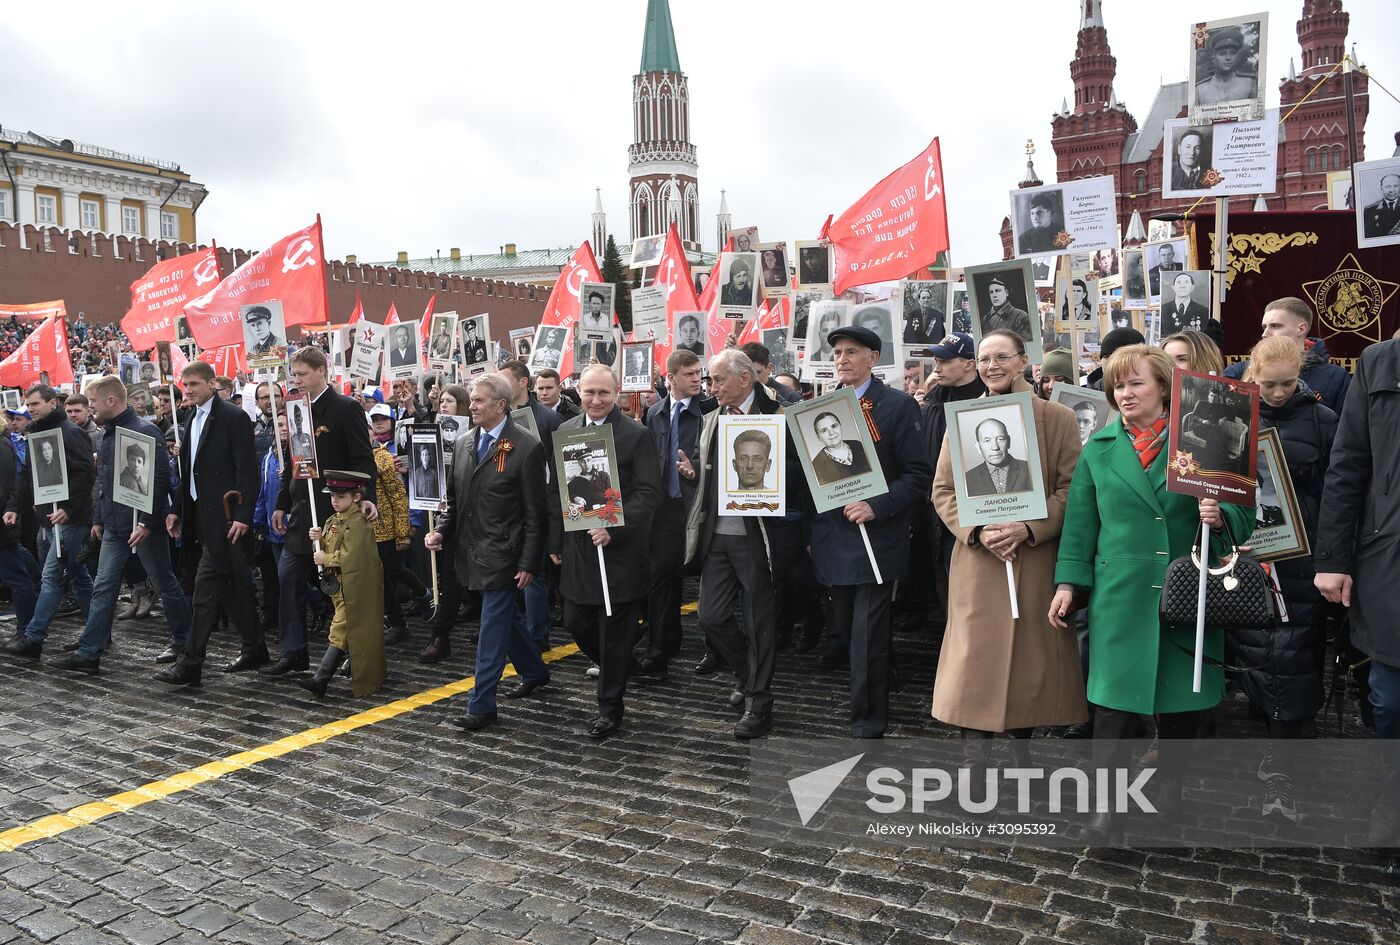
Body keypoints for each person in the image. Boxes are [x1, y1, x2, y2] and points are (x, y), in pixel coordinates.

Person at [1050, 345, 1254, 843]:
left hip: (1189, 591)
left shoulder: (1202, 443)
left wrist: (1220, 514)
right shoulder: (1098, 448)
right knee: (1113, 706)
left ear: (1164, 387)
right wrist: (1068, 583)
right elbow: (1080, 524)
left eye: (1135, 383)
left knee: (1181, 703)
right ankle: (1109, 813)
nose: (1124, 393)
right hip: (1120, 594)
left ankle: (1170, 793)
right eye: (1117, 385)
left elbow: (1245, 516)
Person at [932, 329, 1086, 775]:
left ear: (1023, 361)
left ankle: (1022, 751)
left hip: (1033, 561)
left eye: (1002, 357)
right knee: (973, 663)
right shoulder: (961, 419)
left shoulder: (1057, 417)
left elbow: (1071, 487)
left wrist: (1029, 527)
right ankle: (972, 763)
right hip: (979, 562)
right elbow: (943, 490)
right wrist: (978, 530)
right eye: (983, 359)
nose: (991, 366)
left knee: (1029, 663)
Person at [1226, 336, 1337, 822]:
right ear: (1251, 375)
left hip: (1300, 555)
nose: (1275, 393)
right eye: (1267, 384)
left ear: (1301, 378)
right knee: (1255, 648)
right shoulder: (1228, 417)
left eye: (1286, 384)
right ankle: (1269, 729)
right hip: (1244, 553)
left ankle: (1285, 750)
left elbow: (1340, 491)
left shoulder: (1322, 420)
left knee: (1294, 651)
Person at [810, 325, 934, 738]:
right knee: (847, 630)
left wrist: (876, 506)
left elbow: (919, 475)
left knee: (866, 635)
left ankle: (868, 721)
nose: (841, 360)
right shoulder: (820, 410)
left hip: (877, 538)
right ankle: (884, 669)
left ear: (873, 359)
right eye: (837, 354)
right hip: (835, 538)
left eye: (850, 352)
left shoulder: (897, 407)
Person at [684, 349, 798, 740]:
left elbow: (797, 479)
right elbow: (715, 472)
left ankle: (759, 702)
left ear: (745, 380)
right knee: (710, 616)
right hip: (717, 535)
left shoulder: (780, 413)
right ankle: (748, 675)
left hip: (759, 537)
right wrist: (695, 472)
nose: (710, 387)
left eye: (717, 380)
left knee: (759, 619)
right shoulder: (712, 417)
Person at [426, 374, 550, 730]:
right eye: (473, 400)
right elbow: (454, 500)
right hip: (469, 552)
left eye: (480, 400)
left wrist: (528, 561)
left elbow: (535, 514)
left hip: (504, 555)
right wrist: (441, 532)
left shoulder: (525, 447)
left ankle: (481, 705)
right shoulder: (465, 442)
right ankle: (534, 670)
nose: (473, 405)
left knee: (491, 628)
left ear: (501, 404)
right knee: (504, 620)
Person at [1313, 335, 1400, 845]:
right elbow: (1347, 465)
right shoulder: (1380, 362)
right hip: (1389, 556)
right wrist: (1332, 559)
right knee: (1389, 700)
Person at [550, 364, 661, 740]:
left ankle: (609, 707)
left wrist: (616, 526)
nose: (596, 400)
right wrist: (555, 543)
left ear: (617, 394)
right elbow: (557, 494)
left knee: (614, 631)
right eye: (589, 392)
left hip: (620, 553)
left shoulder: (636, 435)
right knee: (575, 622)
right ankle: (621, 662)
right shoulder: (565, 432)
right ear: (578, 392)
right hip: (579, 550)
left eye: (603, 393)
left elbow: (648, 494)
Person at [266, 347, 377, 677]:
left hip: (336, 513)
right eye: (293, 374)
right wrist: (281, 505)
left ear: (321, 372)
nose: (296, 380)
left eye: (301, 374)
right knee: (288, 579)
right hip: (302, 514)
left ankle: (352, 651)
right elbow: (293, 461)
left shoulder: (345, 409)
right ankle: (293, 652)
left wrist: (364, 495)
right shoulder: (296, 408)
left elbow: (362, 459)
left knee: (340, 588)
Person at [2, 386, 96, 658]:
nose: (29, 408)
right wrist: (14, 508)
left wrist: (68, 507)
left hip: (71, 518)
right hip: (46, 517)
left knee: (51, 577)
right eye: (27, 404)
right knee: (78, 577)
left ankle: (34, 637)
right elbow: (27, 477)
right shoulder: (37, 434)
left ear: (52, 403)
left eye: (34, 404)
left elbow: (84, 475)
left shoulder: (71, 432)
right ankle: (97, 628)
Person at [639, 349, 716, 681]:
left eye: (699, 373)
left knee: (709, 581)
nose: (697, 379)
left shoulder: (710, 411)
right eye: (689, 374)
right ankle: (660, 649)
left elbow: (714, 454)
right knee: (660, 581)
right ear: (670, 378)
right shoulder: (653, 412)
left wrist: (695, 470)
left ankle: (716, 649)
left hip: (697, 508)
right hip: (664, 511)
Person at [301, 470, 386, 699]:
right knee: (348, 629)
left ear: (356, 497)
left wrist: (325, 558)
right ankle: (349, 664)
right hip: (339, 587)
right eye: (332, 496)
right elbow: (328, 548)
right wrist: (317, 540)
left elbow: (354, 557)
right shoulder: (333, 520)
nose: (335, 501)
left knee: (339, 628)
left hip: (353, 587)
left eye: (341, 497)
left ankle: (321, 678)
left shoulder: (358, 523)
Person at [499, 360, 563, 650]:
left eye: (506, 380)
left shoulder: (549, 419)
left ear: (523, 383)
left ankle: (538, 637)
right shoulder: (499, 416)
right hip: (509, 505)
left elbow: (558, 464)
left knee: (534, 573)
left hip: (539, 504)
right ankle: (513, 630)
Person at [920, 333, 987, 578]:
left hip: (982, 510)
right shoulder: (930, 406)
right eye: (936, 361)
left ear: (969, 364)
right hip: (939, 512)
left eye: (945, 361)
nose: (937, 368)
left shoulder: (995, 401)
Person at [1223, 296, 1350, 413]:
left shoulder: (1335, 378)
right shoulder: (1237, 373)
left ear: (1301, 328)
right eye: (1264, 327)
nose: (1264, 334)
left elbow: (1345, 431)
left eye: (1275, 326)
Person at [963, 416, 1033, 497]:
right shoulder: (967, 480)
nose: (995, 447)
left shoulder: (1030, 470)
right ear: (978, 447)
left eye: (1000, 439)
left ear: (1008, 442)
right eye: (987, 440)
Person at [1194, 26, 1258, 106]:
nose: (1228, 58)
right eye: (1223, 54)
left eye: (1232, 53)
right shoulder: (1200, 90)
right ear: (1213, 58)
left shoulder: (1250, 83)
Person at [809, 411, 871, 485]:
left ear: (840, 426)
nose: (831, 432)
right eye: (824, 430)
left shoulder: (859, 445)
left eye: (834, 426)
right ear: (818, 437)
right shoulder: (816, 467)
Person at [980, 276, 1032, 342]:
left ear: (1006, 293)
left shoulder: (1021, 317)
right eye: (991, 292)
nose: (994, 295)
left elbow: (1025, 346)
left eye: (997, 291)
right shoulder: (985, 319)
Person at [1362, 173, 1400, 239]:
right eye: (1387, 186)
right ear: (1381, 188)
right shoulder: (1370, 210)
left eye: (1396, 186)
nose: (1391, 190)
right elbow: (1368, 237)